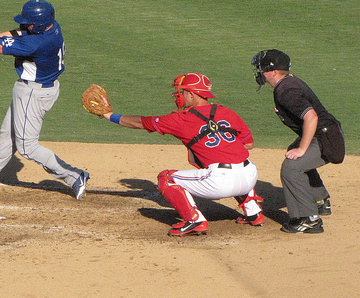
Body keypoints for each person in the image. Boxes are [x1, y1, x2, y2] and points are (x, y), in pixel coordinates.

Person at [0, 0, 89, 200]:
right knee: (8, 137)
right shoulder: (50, 27)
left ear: (39, 24)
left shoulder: (36, 43)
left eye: (29, 23)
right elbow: (12, 34)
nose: (25, 26)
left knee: (27, 146)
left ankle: (74, 175)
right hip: (35, 89)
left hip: (33, 93)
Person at [96, 73, 263, 237]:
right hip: (250, 177)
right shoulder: (227, 112)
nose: (180, 96)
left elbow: (141, 122)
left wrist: (109, 115)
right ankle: (253, 212)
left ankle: (195, 221)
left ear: (191, 94)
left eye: (183, 92)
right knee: (238, 162)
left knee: (166, 178)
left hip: (220, 182)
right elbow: (248, 144)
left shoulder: (181, 119)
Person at [251, 50, 345, 234]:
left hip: (326, 139)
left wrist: (302, 149)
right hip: (327, 134)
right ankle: (320, 199)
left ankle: (308, 219)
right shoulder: (288, 82)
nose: (260, 73)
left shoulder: (286, 91)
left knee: (291, 167)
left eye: (262, 69)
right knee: (293, 150)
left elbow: (311, 117)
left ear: (274, 71)